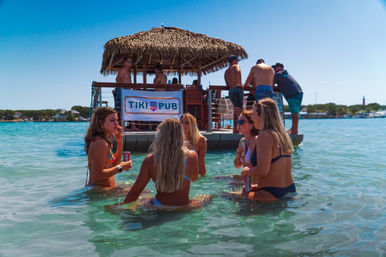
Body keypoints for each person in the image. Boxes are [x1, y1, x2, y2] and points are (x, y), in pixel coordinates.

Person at [121, 118, 199, 208]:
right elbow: (194, 178)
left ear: (160, 136)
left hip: (159, 206)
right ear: (181, 135)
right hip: (184, 206)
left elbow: (134, 193)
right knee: (205, 198)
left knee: (145, 198)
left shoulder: (150, 160)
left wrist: (121, 206)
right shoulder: (191, 156)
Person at [241, 98, 296, 201]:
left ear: (262, 117)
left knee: (226, 197)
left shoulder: (265, 135)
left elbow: (262, 171)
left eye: (254, 114)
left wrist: (247, 171)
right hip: (289, 190)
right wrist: (257, 187)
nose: (252, 118)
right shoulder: (282, 135)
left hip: (271, 193)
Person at [84, 107, 133, 188]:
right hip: (100, 193)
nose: (116, 124)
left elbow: (114, 164)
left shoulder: (105, 141)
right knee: (143, 196)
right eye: (112, 120)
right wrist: (121, 167)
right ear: (100, 122)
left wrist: (120, 142)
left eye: (117, 120)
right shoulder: (100, 143)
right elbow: (97, 176)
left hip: (105, 191)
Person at [273, 63, 303, 134]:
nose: (274, 70)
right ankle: (293, 128)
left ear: (277, 68)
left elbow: (270, 85)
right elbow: (283, 85)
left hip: (293, 94)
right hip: (298, 92)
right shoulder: (285, 74)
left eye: (274, 69)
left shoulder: (278, 74)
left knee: (294, 113)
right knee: (295, 112)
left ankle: (295, 131)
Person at [224, 55, 243, 133]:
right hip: (237, 88)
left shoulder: (226, 71)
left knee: (236, 110)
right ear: (233, 61)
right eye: (236, 60)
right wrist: (239, 83)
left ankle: (235, 129)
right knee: (239, 111)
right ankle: (243, 128)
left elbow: (227, 84)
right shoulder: (236, 66)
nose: (237, 61)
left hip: (231, 91)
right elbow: (238, 71)